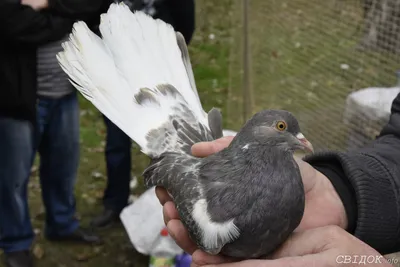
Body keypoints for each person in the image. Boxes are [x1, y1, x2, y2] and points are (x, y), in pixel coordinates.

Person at [156, 92, 400, 267]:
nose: (302, 140)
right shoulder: (218, 217)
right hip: (192, 166)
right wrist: (342, 188)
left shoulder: (293, 183)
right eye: (282, 127)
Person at [0, 1, 105, 266]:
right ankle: (16, 242)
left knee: (63, 168)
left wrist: (46, 4)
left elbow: (93, 5)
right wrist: (70, 18)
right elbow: (13, 23)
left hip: (64, 95)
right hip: (18, 99)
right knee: (13, 178)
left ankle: (61, 224)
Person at [91, 0, 196, 229]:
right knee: (117, 142)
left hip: (159, 68)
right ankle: (115, 203)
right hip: (116, 69)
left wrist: (169, 54)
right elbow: (93, 15)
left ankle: (165, 206)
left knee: (167, 141)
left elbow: (185, 20)